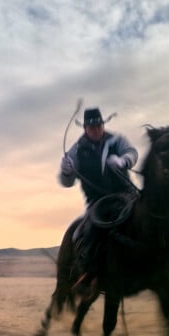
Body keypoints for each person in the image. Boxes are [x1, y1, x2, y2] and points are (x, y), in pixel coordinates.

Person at [59, 107, 138, 287]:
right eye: (92, 127)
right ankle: (89, 272)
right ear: (85, 128)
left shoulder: (117, 140)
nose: (96, 130)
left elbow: (132, 153)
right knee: (92, 232)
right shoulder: (76, 150)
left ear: (103, 124)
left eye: (99, 126)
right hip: (98, 202)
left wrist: (123, 161)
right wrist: (66, 172)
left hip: (126, 194)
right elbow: (67, 182)